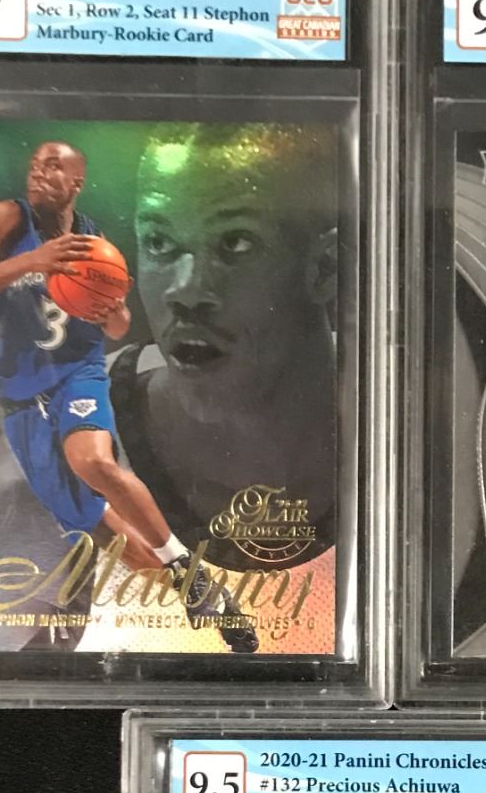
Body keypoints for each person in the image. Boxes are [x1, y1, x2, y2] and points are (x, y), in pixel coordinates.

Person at [0, 140, 256, 649]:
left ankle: (185, 566)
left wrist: (112, 311)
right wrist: (33, 261)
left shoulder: (93, 239)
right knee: (96, 524)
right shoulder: (9, 219)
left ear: (76, 182)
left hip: (77, 371)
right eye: (35, 164)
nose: (39, 172)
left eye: (53, 166)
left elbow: (118, 325)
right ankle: (200, 593)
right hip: (22, 395)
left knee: (93, 461)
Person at [108, 123, 339, 571]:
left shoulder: (425, 436)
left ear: (324, 267)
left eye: (236, 242)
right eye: (159, 242)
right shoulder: (49, 469)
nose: (185, 291)